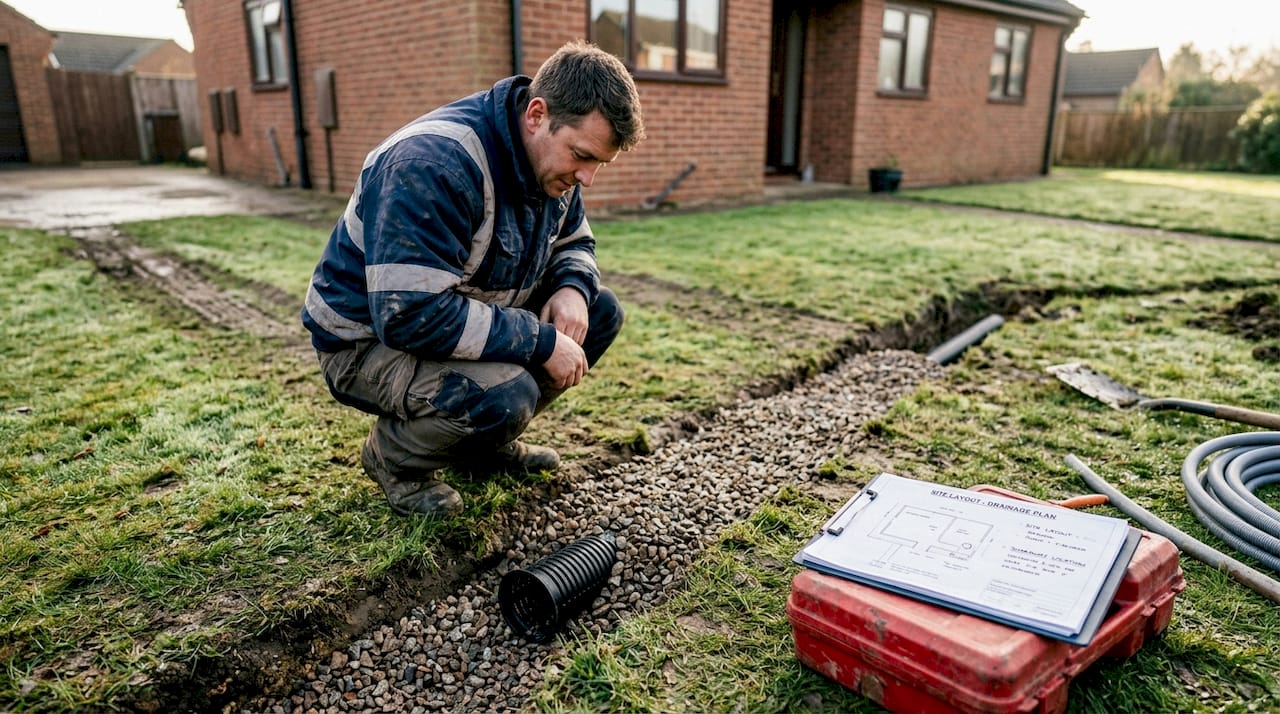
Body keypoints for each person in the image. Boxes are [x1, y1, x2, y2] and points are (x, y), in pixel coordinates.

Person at [301, 40, 645, 517]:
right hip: (365, 343)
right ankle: (395, 459)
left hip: (450, 316)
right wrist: (539, 340)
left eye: (598, 164)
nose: (587, 178)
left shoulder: (549, 164)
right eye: (582, 156)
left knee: (599, 313)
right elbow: (411, 316)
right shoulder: (432, 165)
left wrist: (571, 288)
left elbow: (575, 242)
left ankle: (482, 444)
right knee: (505, 396)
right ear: (537, 114)